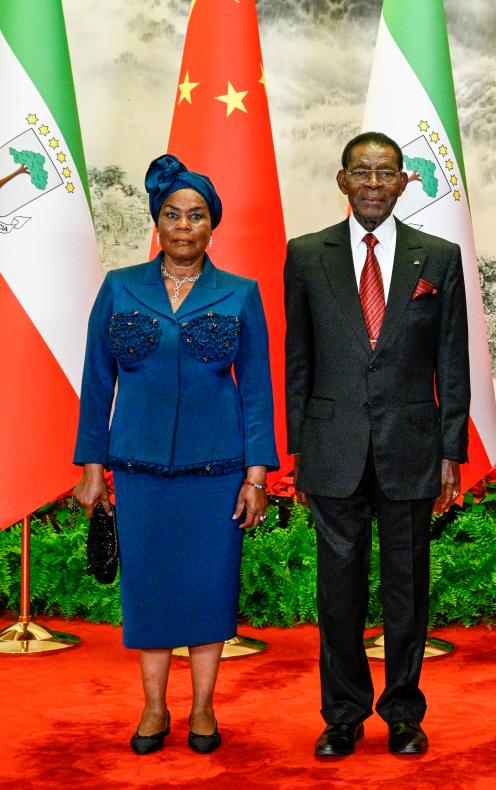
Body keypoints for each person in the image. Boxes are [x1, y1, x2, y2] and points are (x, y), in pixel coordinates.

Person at [73, 154, 278, 756]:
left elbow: (258, 390)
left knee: (209, 589)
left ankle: (205, 706)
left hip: (216, 475)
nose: (183, 226)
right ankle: (154, 707)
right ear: (156, 221)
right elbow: (97, 382)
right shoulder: (120, 287)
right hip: (139, 472)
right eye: (172, 214)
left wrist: (257, 476)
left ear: (212, 224)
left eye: (196, 215)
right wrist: (92, 468)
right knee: (150, 590)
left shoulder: (241, 293)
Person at [284, 131, 470, 758]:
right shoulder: (306, 255)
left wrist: (451, 452)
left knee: (406, 589)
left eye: (385, 172)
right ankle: (342, 714)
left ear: (403, 182)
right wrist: (300, 449)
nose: (372, 183)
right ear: (342, 180)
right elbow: (299, 359)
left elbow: (453, 362)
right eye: (360, 172)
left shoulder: (437, 257)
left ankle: (404, 712)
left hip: (411, 448)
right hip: (332, 449)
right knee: (338, 589)